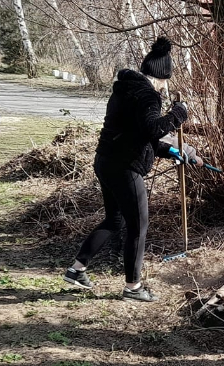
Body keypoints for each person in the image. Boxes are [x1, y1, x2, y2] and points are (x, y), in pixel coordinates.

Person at [63, 37, 189, 301]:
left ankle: (77, 269)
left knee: (115, 220)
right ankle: (133, 287)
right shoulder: (147, 95)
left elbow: (138, 134)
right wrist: (178, 113)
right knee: (138, 226)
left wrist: (169, 151)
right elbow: (153, 128)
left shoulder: (125, 90)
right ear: (160, 77)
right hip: (125, 168)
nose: (165, 87)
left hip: (106, 160)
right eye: (165, 82)